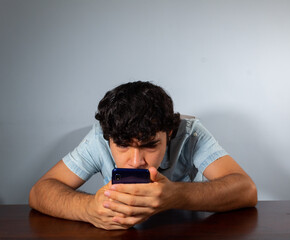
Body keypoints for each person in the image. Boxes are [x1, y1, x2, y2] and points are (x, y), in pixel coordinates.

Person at [29, 81, 257, 230]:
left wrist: (175, 195)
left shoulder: (190, 133)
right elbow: (40, 191)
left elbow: (246, 190)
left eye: (149, 146)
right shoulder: (99, 136)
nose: (136, 161)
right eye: (123, 146)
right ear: (108, 138)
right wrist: (88, 209)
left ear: (169, 132)